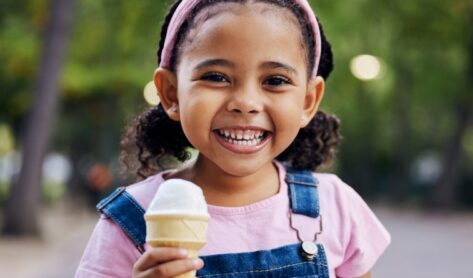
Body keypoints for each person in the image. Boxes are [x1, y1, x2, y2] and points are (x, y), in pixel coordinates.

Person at [75, 0, 391, 277]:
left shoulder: (334, 206)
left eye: (275, 80)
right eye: (216, 77)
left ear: (308, 100)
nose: (245, 102)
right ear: (170, 93)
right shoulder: (134, 221)